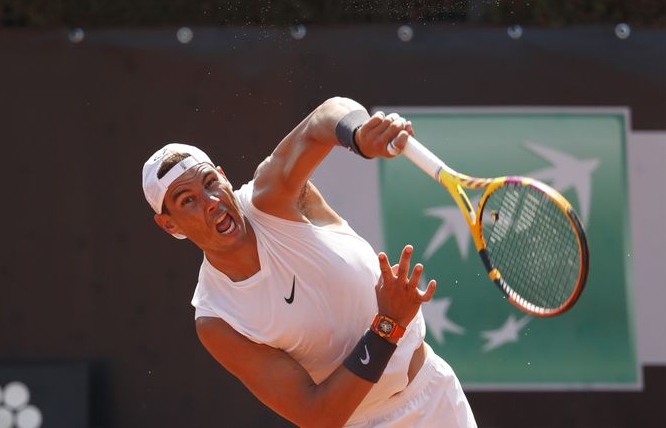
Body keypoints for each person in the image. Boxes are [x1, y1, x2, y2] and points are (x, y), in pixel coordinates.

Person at [141, 97, 476, 427]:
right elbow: (318, 416)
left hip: (435, 397)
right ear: (170, 225)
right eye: (188, 201)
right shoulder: (217, 318)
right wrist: (387, 325)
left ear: (223, 176)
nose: (211, 202)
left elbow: (326, 117)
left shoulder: (271, 196)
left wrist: (359, 134)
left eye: (211, 183)